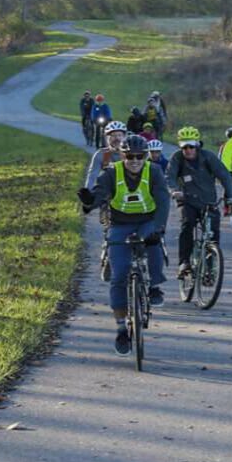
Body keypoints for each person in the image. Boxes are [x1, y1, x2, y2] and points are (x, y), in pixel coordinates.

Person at [77, 135, 170, 356]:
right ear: (122, 155)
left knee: (153, 244)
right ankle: (121, 328)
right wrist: (90, 201)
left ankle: (155, 286)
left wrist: (158, 227)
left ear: (146, 156)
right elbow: (101, 194)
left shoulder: (154, 171)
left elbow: (163, 201)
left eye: (140, 156)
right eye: (130, 156)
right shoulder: (111, 172)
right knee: (119, 275)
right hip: (119, 224)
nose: (135, 160)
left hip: (147, 221)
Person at [166, 126, 232, 278]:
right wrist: (174, 191)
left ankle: (210, 267)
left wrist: (231, 196)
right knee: (187, 224)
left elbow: (224, 176)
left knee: (213, 233)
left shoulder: (208, 157)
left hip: (208, 201)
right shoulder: (177, 158)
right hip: (187, 200)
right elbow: (170, 177)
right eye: (184, 147)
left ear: (197, 144)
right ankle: (184, 262)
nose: (188, 150)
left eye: (191, 146)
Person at [84, 120, 127, 190]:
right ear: (107, 138)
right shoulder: (101, 154)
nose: (117, 138)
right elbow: (92, 176)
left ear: (124, 137)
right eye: (113, 135)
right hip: (108, 191)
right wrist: (88, 193)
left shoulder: (130, 154)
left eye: (119, 135)